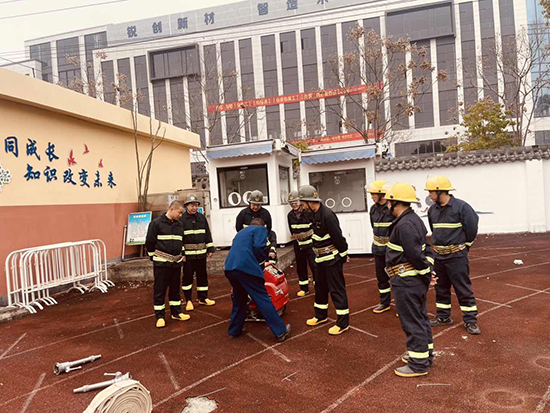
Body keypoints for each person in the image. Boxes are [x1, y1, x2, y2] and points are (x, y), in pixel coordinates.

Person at [385, 182, 435, 377]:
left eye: (389, 201)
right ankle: (424, 354)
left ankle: (418, 364)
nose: (387, 205)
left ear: (395, 202)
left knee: (412, 321)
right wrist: (428, 272)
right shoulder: (414, 219)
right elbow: (426, 250)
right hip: (414, 280)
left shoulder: (404, 225)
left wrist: (426, 274)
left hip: (407, 281)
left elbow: (415, 255)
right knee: (420, 317)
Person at [426, 175, 481, 335]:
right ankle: (443, 317)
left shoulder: (462, 207)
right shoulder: (432, 210)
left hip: (457, 257)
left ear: (441, 191)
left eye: (431, 192)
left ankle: (470, 320)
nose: (429, 195)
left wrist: (464, 247)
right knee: (441, 288)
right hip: (439, 257)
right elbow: (434, 229)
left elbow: (471, 229)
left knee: (463, 288)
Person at [224, 218, 291, 342]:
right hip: (246, 268)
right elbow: (259, 246)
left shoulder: (241, 233)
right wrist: (260, 263)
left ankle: (235, 330)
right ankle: (280, 331)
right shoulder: (260, 229)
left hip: (230, 268)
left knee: (239, 298)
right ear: (263, 226)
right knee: (262, 298)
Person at [299, 185, 350, 336]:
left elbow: (338, 237)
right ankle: (320, 316)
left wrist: (343, 255)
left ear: (310, 202)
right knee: (320, 287)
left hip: (332, 259)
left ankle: (343, 323)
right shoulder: (312, 214)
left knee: (336, 289)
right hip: (320, 259)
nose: (302, 207)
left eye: (303, 204)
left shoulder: (327, 215)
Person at [145, 201, 190, 328]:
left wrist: (182, 254)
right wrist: (154, 257)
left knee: (175, 289)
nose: (180, 215)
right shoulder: (156, 223)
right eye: (179, 213)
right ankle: (160, 316)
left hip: (176, 263)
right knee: (160, 290)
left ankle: (176, 313)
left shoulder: (180, 224)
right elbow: (149, 242)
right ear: (171, 209)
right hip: (161, 264)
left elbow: (182, 241)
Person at [180, 193, 216, 311]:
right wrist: (182, 253)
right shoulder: (181, 220)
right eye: (191, 205)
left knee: (202, 276)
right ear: (186, 206)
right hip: (188, 257)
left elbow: (207, 234)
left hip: (201, 254)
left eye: (195, 205)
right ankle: (188, 300)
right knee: (188, 278)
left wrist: (210, 248)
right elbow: (179, 238)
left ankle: (203, 298)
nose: (194, 208)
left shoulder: (201, 218)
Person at [366, 180, 394, 313]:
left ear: (381, 194)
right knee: (381, 278)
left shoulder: (391, 208)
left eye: (373, 194)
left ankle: (401, 305)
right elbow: (373, 226)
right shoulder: (373, 209)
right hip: (378, 249)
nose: (372, 196)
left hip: (391, 250)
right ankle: (385, 302)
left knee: (396, 277)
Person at [287, 190, 317, 297]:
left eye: (295, 202)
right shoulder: (290, 215)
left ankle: (318, 287)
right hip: (298, 246)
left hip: (310, 245)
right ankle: (304, 288)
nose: (293, 205)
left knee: (314, 265)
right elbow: (292, 231)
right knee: (301, 267)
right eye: (291, 203)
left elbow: (314, 228)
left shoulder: (308, 213)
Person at [236, 189, 277, 261]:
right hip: (247, 244)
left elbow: (268, 229)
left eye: (258, 205)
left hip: (261, 245)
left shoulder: (265, 214)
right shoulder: (243, 214)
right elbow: (239, 228)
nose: (255, 207)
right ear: (249, 203)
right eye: (254, 205)